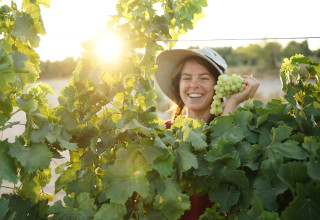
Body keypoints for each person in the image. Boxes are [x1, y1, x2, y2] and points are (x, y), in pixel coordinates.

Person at [154, 47, 260, 219]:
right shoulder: (164, 133)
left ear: (218, 87)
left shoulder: (239, 137)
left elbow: (216, 152)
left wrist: (232, 101)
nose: (193, 85)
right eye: (186, 78)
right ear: (178, 84)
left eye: (204, 78)